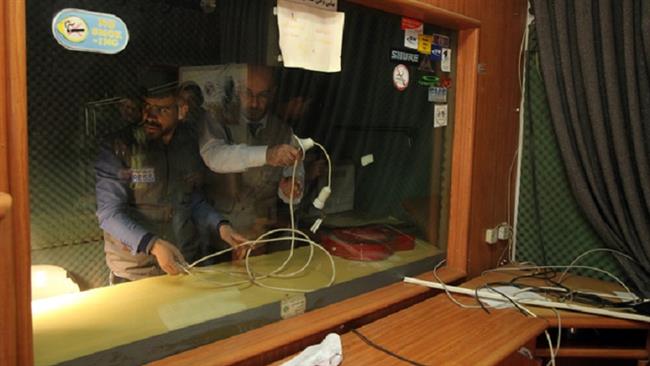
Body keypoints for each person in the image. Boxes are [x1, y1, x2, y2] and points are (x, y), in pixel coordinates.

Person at [95, 82, 247, 284]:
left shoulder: (190, 143)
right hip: (136, 272)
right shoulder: (119, 147)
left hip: (182, 264)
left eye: (162, 109)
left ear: (181, 109)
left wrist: (220, 226)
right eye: (147, 107)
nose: (150, 116)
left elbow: (191, 199)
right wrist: (153, 245)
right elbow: (109, 214)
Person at [198, 64, 304, 239]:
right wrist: (267, 155)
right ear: (237, 90)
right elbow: (214, 156)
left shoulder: (284, 132)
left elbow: (295, 177)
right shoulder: (216, 119)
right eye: (248, 93)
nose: (254, 103)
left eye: (263, 96)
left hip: (262, 232)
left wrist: (289, 189)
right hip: (220, 233)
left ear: (273, 93)